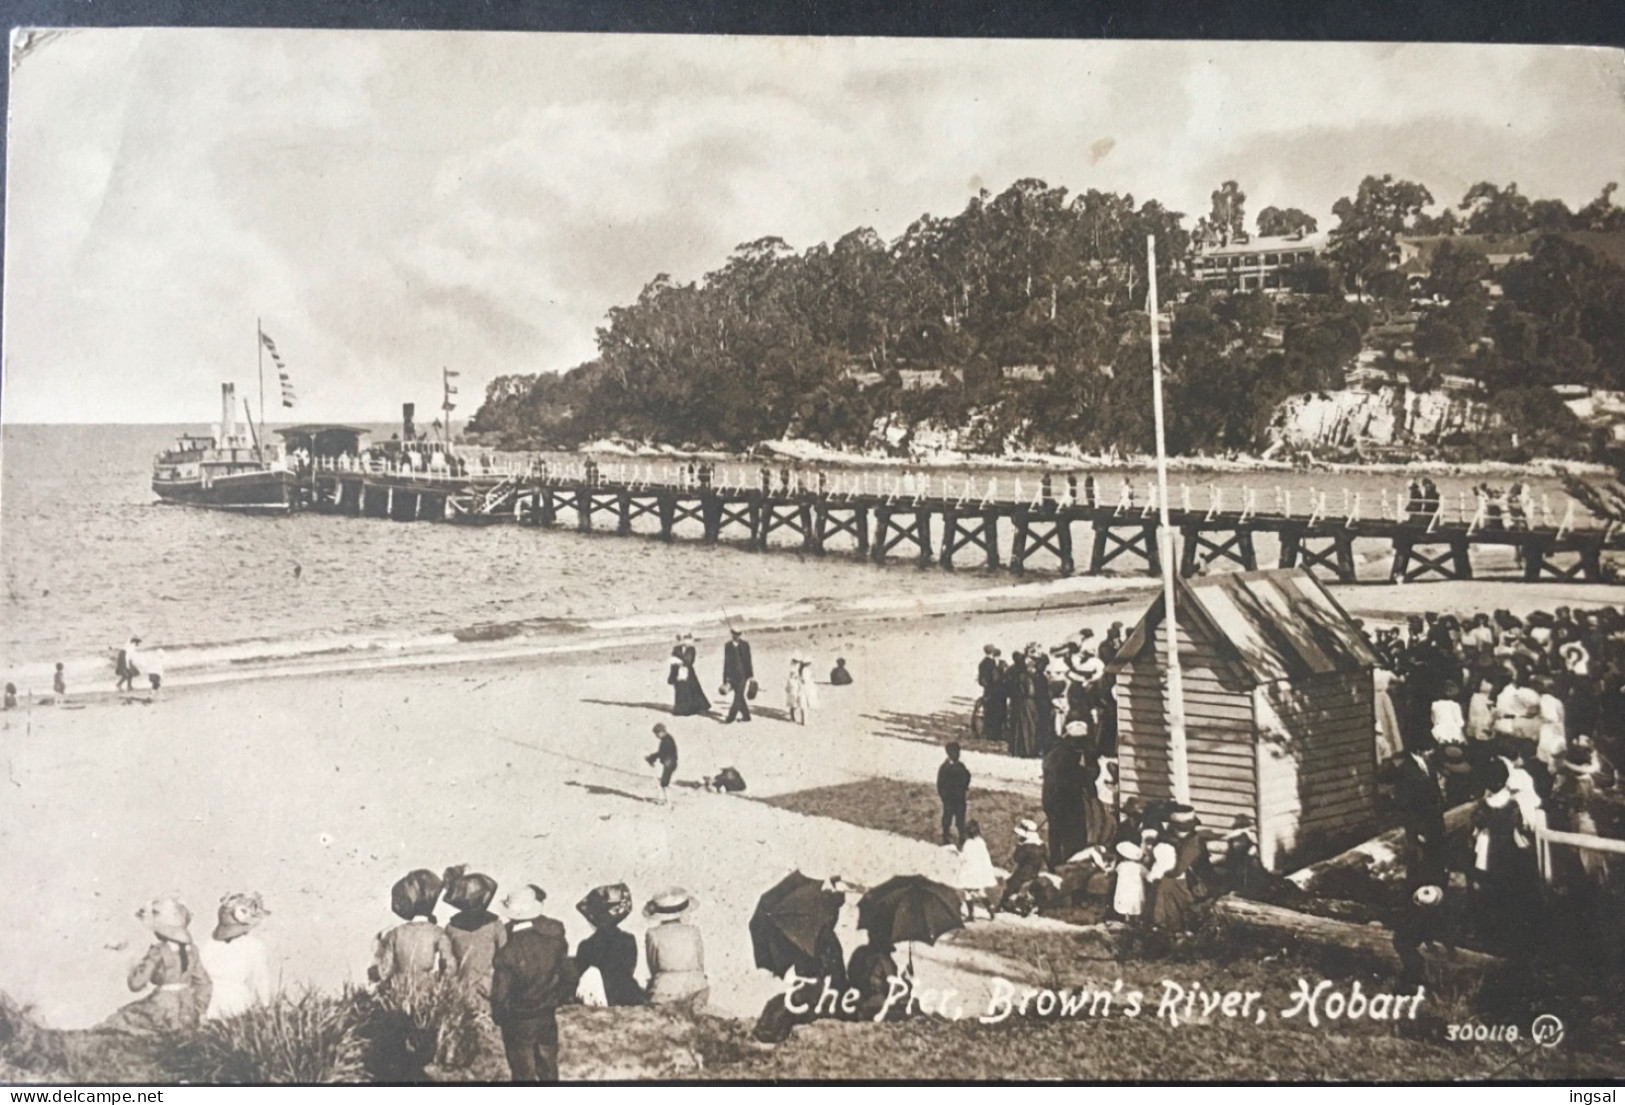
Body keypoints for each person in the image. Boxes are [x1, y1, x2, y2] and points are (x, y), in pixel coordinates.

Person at [490, 884, 577, 1083]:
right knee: (549, 1070)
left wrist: (500, 1017)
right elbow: (571, 975)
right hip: (546, 1015)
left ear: (511, 914)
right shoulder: (553, 941)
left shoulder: (507, 952)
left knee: (523, 1074)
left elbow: (500, 995)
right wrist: (558, 999)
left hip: (518, 1020)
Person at [98, 897, 212, 1035]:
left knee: (121, 1019)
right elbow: (204, 983)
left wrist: (133, 965)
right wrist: (201, 1011)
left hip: (162, 1005)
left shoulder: (158, 952)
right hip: (187, 1009)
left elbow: (136, 984)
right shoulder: (192, 951)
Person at [372, 869, 454, 991]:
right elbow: (450, 967)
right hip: (427, 992)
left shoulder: (395, 934)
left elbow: (384, 971)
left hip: (399, 992)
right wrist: (439, 981)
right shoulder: (437, 933)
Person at [199, 892, 273, 1020]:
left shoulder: (252, 946)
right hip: (215, 1002)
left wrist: (265, 1005)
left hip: (229, 1003)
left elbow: (260, 979)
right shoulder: (209, 943)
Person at [442, 867, 506, 1002]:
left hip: (461, 991)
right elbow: (505, 958)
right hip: (489, 989)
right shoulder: (495, 925)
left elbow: (446, 965)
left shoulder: (451, 927)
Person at [574, 884, 644, 1007]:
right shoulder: (628, 940)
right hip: (625, 995)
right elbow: (629, 970)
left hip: (595, 999)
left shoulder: (586, 945)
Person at [643, 889, 708, 1012]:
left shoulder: (653, 934)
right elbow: (700, 961)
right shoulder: (694, 931)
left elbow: (653, 964)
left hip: (665, 986)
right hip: (695, 983)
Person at [1042, 730, 1089, 866]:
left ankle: (1055, 862)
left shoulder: (1054, 752)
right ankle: (1067, 864)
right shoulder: (1069, 756)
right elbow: (1079, 778)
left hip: (1051, 800)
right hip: (1066, 803)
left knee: (1055, 834)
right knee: (1072, 835)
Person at [846, 931, 907, 1023]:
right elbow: (892, 989)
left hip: (856, 1000)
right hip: (876, 1004)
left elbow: (851, 974)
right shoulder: (886, 961)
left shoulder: (859, 952)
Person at [998, 819, 1049, 914]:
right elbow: (1047, 858)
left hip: (1023, 873)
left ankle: (1002, 905)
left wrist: (1019, 846)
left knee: (1010, 886)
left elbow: (1017, 858)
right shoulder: (1042, 845)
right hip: (1035, 872)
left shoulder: (1026, 846)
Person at [954, 819, 999, 921]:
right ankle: (990, 909)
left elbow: (964, 858)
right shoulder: (981, 842)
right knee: (981, 892)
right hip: (981, 872)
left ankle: (971, 914)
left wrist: (957, 854)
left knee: (967, 892)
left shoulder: (968, 844)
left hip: (971, 872)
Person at [936, 742, 971, 846]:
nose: (957, 754)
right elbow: (940, 783)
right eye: (954, 752)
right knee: (947, 817)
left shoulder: (961, 766)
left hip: (959, 797)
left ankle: (961, 836)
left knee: (960, 818)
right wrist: (943, 795)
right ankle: (946, 835)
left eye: (958, 752)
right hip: (949, 798)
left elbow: (967, 776)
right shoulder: (944, 768)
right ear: (948, 753)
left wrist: (964, 787)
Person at [668, 633, 710, 717]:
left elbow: (689, 661)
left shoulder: (691, 649)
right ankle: (681, 709)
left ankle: (700, 707)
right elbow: (672, 661)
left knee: (693, 690)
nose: (687, 641)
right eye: (685, 639)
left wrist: (679, 660)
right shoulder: (677, 648)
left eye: (688, 639)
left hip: (689, 672)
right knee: (680, 690)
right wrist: (672, 674)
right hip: (677, 672)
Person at [722, 628, 755, 723]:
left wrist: (751, 675)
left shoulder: (745, 645)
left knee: (738, 695)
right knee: (739, 696)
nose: (737, 635)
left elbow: (748, 661)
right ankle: (747, 716)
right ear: (732, 634)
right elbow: (726, 662)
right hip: (732, 675)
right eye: (735, 633)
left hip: (743, 675)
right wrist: (724, 679)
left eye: (739, 633)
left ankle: (730, 717)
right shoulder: (727, 646)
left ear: (741, 634)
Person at [1110, 840, 1146, 922]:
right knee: (1136, 904)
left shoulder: (1121, 865)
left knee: (1125, 903)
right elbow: (1147, 874)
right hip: (1135, 891)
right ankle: (1136, 919)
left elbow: (1115, 870)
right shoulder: (1139, 867)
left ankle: (1127, 918)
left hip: (1124, 890)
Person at [977, 646, 1005, 743]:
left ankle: (989, 733)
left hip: (988, 692)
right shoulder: (993, 664)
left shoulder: (982, 663)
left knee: (989, 712)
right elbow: (996, 678)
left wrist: (987, 686)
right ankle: (996, 734)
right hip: (996, 692)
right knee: (997, 713)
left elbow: (981, 680)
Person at [646, 724, 679, 805]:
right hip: (670, 763)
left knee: (664, 783)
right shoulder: (667, 739)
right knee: (663, 783)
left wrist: (651, 758)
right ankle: (664, 799)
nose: (656, 736)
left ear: (661, 732)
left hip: (669, 763)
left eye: (657, 734)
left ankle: (668, 802)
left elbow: (661, 753)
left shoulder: (666, 741)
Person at [785, 657, 816, 725]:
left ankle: (795, 717)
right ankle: (804, 721)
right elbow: (805, 680)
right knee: (803, 705)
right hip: (803, 689)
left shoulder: (798, 669)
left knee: (797, 704)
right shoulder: (805, 670)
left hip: (798, 688)